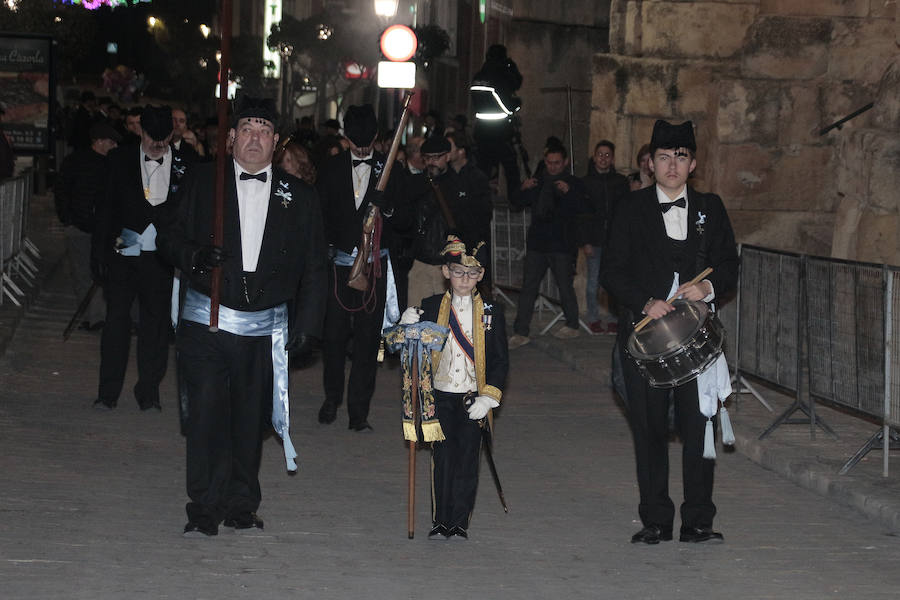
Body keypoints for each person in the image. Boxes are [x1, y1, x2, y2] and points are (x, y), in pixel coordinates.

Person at [157, 96, 327, 537]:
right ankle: (204, 505)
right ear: (231, 138)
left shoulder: (301, 198)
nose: (255, 139)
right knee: (207, 415)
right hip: (206, 324)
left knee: (250, 421)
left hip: (262, 330)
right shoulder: (201, 184)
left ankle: (241, 503)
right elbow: (168, 238)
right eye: (247, 130)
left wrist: (308, 326)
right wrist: (194, 257)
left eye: (264, 132)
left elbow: (315, 267)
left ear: (276, 142)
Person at [600, 119, 739, 545]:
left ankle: (698, 519)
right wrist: (645, 301)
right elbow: (612, 271)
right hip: (645, 343)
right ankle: (656, 518)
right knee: (650, 431)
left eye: (680, 157)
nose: (672, 165)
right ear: (650, 164)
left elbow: (730, 267)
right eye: (664, 157)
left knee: (700, 430)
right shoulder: (630, 208)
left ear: (692, 163)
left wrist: (706, 287)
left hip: (697, 346)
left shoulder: (711, 208)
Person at [399, 236, 508, 539]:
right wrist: (406, 327)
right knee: (442, 458)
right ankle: (440, 519)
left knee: (467, 459)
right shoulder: (431, 306)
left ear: (481, 275)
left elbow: (500, 361)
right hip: (440, 395)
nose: (465, 279)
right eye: (459, 272)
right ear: (446, 272)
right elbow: (409, 352)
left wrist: (489, 397)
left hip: (473, 398)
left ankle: (460, 521)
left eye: (472, 274)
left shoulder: (492, 311)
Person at [316, 104, 409, 431]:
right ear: (346, 138)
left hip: (375, 267)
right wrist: (327, 251)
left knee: (368, 342)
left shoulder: (390, 169)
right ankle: (331, 399)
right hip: (339, 266)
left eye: (367, 141)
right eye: (356, 142)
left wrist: (390, 208)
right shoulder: (329, 168)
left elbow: (406, 220)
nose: (363, 148)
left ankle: (359, 412)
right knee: (334, 338)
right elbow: (321, 216)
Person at [91, 105, 190, 411]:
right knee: (117, 322)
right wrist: (99, 255)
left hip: (162, 254)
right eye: (151, 138)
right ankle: (108, 393)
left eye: (163, 139)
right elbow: (105, 209)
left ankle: (148, 392)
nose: (157, 145)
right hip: (125, 245)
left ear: (172, 133)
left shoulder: (189, 164)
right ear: (140, 132)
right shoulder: (119, 160)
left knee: (156, 326)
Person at [508, 141, 586, 349]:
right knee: (528, 287)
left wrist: (569, 192)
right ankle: (521, 331)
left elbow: (583, 208)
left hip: (561, 244)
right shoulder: (538, 182)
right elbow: (515, 203)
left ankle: (572, 324)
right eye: (550, 163)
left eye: (557, 163)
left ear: (565, 162)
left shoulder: (573, 183)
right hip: (537, 243)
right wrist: (522, 189)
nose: (553, 167)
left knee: (564, 285)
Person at [55, 122, 122, 329]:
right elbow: (62, 191)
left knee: (101, 273)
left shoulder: (112, 165)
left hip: (104, 229)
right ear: (99, 141)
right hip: (79, 227)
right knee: (83, 272)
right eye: (111, 142)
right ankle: (94, 317)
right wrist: (68, 219)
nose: (114, 146)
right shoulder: (75, 161)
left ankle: (99, 316)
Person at [581, 140, 630, 334]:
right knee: (593, 282)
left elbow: (624, 212)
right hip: (594, 240)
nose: (603, 158)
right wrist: (585, 241)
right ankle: (593, 317)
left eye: (607, 155)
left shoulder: (620, 182)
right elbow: (582, 216)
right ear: (594, 157)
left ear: (613, 159)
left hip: (614, 241)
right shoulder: (585, 183)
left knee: (613, 282)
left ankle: (613, 318)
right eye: (600, 154)